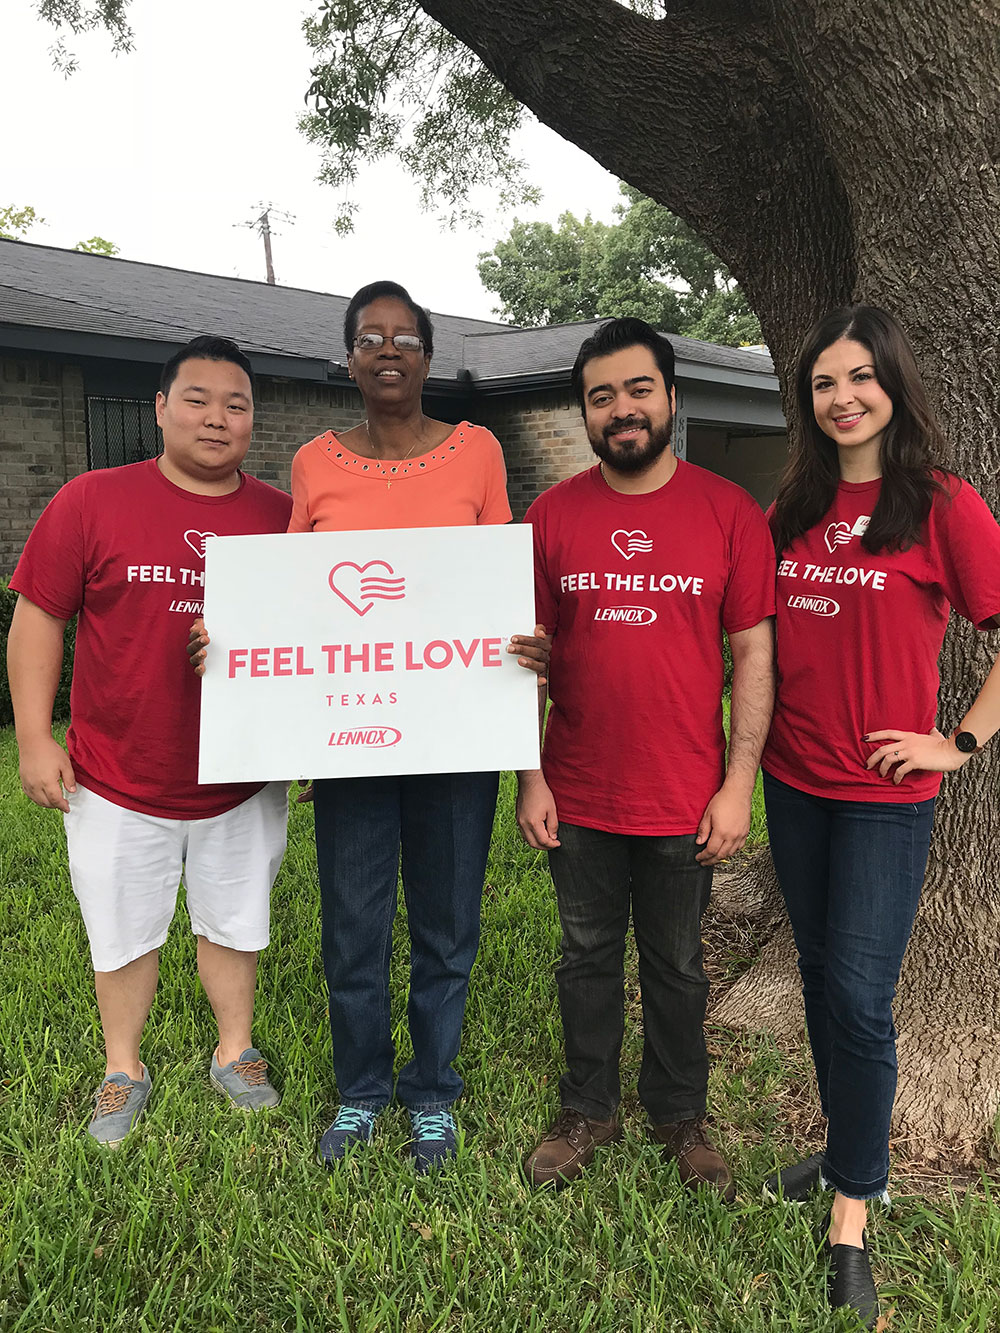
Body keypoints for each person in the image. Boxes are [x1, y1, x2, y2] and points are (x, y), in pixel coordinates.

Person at [191, 281, 548, 1172]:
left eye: (405, 337)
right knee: (352, 924)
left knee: (446, 924)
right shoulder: (315, 462)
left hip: (456, 736)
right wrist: (232, 641)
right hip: (350, 738)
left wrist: (523, 640)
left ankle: (431, 1092)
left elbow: (492, 581)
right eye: (369, 338)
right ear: (348, 360)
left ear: (428, 356)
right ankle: (360, 1091)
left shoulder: (478, 452)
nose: (387, 350)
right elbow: (295, 600)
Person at [760, 305, 1000, 1325]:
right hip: (791, 781)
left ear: (892, 386)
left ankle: (853, 1212)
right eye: (823, 382)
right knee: (817, 976)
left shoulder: (941, 504)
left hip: (882, 802)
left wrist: (959, 741)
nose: (842, 397)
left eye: (859, 377)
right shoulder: (796, 505)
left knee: (859, 996)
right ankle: (845, 1144)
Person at [7, 335, 293, 1146]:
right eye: (197, 399)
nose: (217, 417)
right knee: (123, 924)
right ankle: (123, 1066)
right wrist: (34, 734)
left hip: (242, 774)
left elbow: (319, 640)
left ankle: (235, 1051)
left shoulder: (281, 517)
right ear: (160, 408)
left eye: (236, 404)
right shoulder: (91, 500)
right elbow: (40, 618)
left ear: (251, 420)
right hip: (115, 774)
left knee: (236, 919)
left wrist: (317, 743)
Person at [516, 317, 776, 1199]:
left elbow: (753, 655)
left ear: (670, 396)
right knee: (584, 957)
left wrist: (738, 786)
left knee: (677, 964)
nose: (621, 409)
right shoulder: (550, 518)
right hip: (579, 789)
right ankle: (587, 1107)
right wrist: (531, 775)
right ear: (585, 414)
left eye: (637, 390)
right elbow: (524, 656)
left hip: (685, 789)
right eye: (601, 397)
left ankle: (679, 1114)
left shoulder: (728, 512)